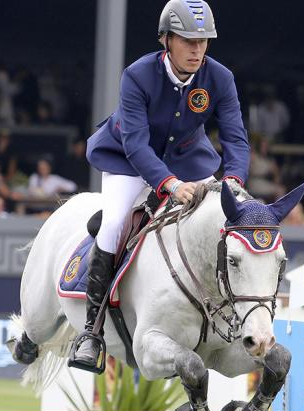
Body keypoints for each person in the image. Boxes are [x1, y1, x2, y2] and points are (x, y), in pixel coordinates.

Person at [73, 0, 250, 371]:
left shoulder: (220, 78)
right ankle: (91, 331)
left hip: (189, 159)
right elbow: (136, 144)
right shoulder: (137, 75)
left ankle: (226, 320)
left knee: (219, 223)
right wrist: (168, 184)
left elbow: (235, 139)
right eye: (188, 40)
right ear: (165, 40)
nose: (197, 49)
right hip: (128, 160)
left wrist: (233, 182)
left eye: (203, 41)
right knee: (115, 222)